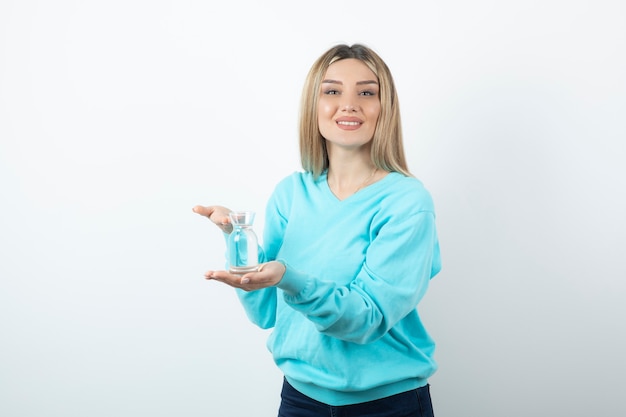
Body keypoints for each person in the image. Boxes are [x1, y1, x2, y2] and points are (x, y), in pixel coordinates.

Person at [193, 43, 442, 417]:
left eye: (366, 92)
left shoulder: (406, 202)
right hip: (298, 401)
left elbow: (366, 318)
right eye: (331, 91)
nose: (349, 103)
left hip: (387, 406)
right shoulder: (291, 194)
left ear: (384, 108)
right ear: (315, 105)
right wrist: (236, 237)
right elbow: (266, 314)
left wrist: (291, 279)